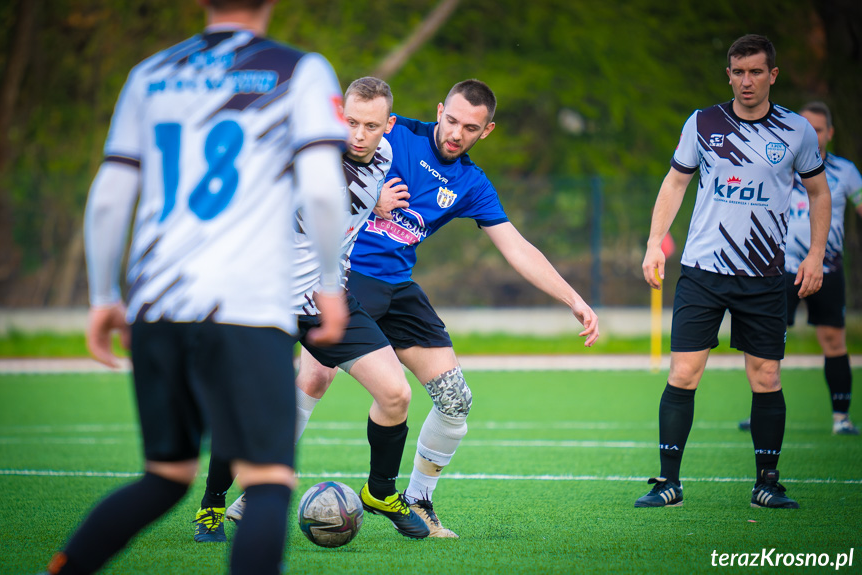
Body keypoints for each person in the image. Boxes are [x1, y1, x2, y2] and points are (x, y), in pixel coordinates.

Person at [41, 1, 350, 573]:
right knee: (268, 479)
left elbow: (110, 193)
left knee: (164, 478)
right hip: (247, 308)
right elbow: (325, 190)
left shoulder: (149, 75)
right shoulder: (298, 70)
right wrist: (330, 283)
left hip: (159, 307)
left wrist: (104, 296)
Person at [249, 78, 600, 538]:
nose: (456, 133)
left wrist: (572, 298)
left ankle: (417, 498)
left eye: (470, 128)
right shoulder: (395, 134)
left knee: (456, 400)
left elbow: (516, 247)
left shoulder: (472, 183)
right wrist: (366, 195)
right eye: (451, 120)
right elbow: (323, 155)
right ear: (439, 111)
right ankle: (253, 494)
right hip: (344, 276)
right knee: (315, 376)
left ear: (486, 131)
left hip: (398, 287)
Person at [193, 77, 429, 543]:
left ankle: (380, 491)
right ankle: (212, 506)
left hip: (330, 301)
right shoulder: (307, 157)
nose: (358, 135)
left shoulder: (383, 158)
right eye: (351, 122)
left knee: (396, 394)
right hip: (270, 302)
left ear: (389, 126)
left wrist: (378, 200)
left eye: (371, 126)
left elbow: (431, 137)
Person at [636, 34, 831, 510]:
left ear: (772, 75)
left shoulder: (796, 131)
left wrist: (815, 255)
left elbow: (820, 193)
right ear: (729, 74)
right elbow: (676, 182)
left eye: (756, 72)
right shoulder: (703, 123)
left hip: (765, 275)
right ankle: (668, 483)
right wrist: (653, 244)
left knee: (766, 378)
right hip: (703, 271)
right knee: (683, 374)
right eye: (738, 72)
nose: (747, 81)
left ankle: (767, 483)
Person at [739, 102, 862, 435]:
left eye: (819, 129)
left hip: (826, 268)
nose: (812, 135)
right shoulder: (776, 165)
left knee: (833, 340)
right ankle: (759, 414)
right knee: (765, 341)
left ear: (830, 133)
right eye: (806, 127)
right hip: (777, 269)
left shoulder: (846, 172)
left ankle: (841, 417)